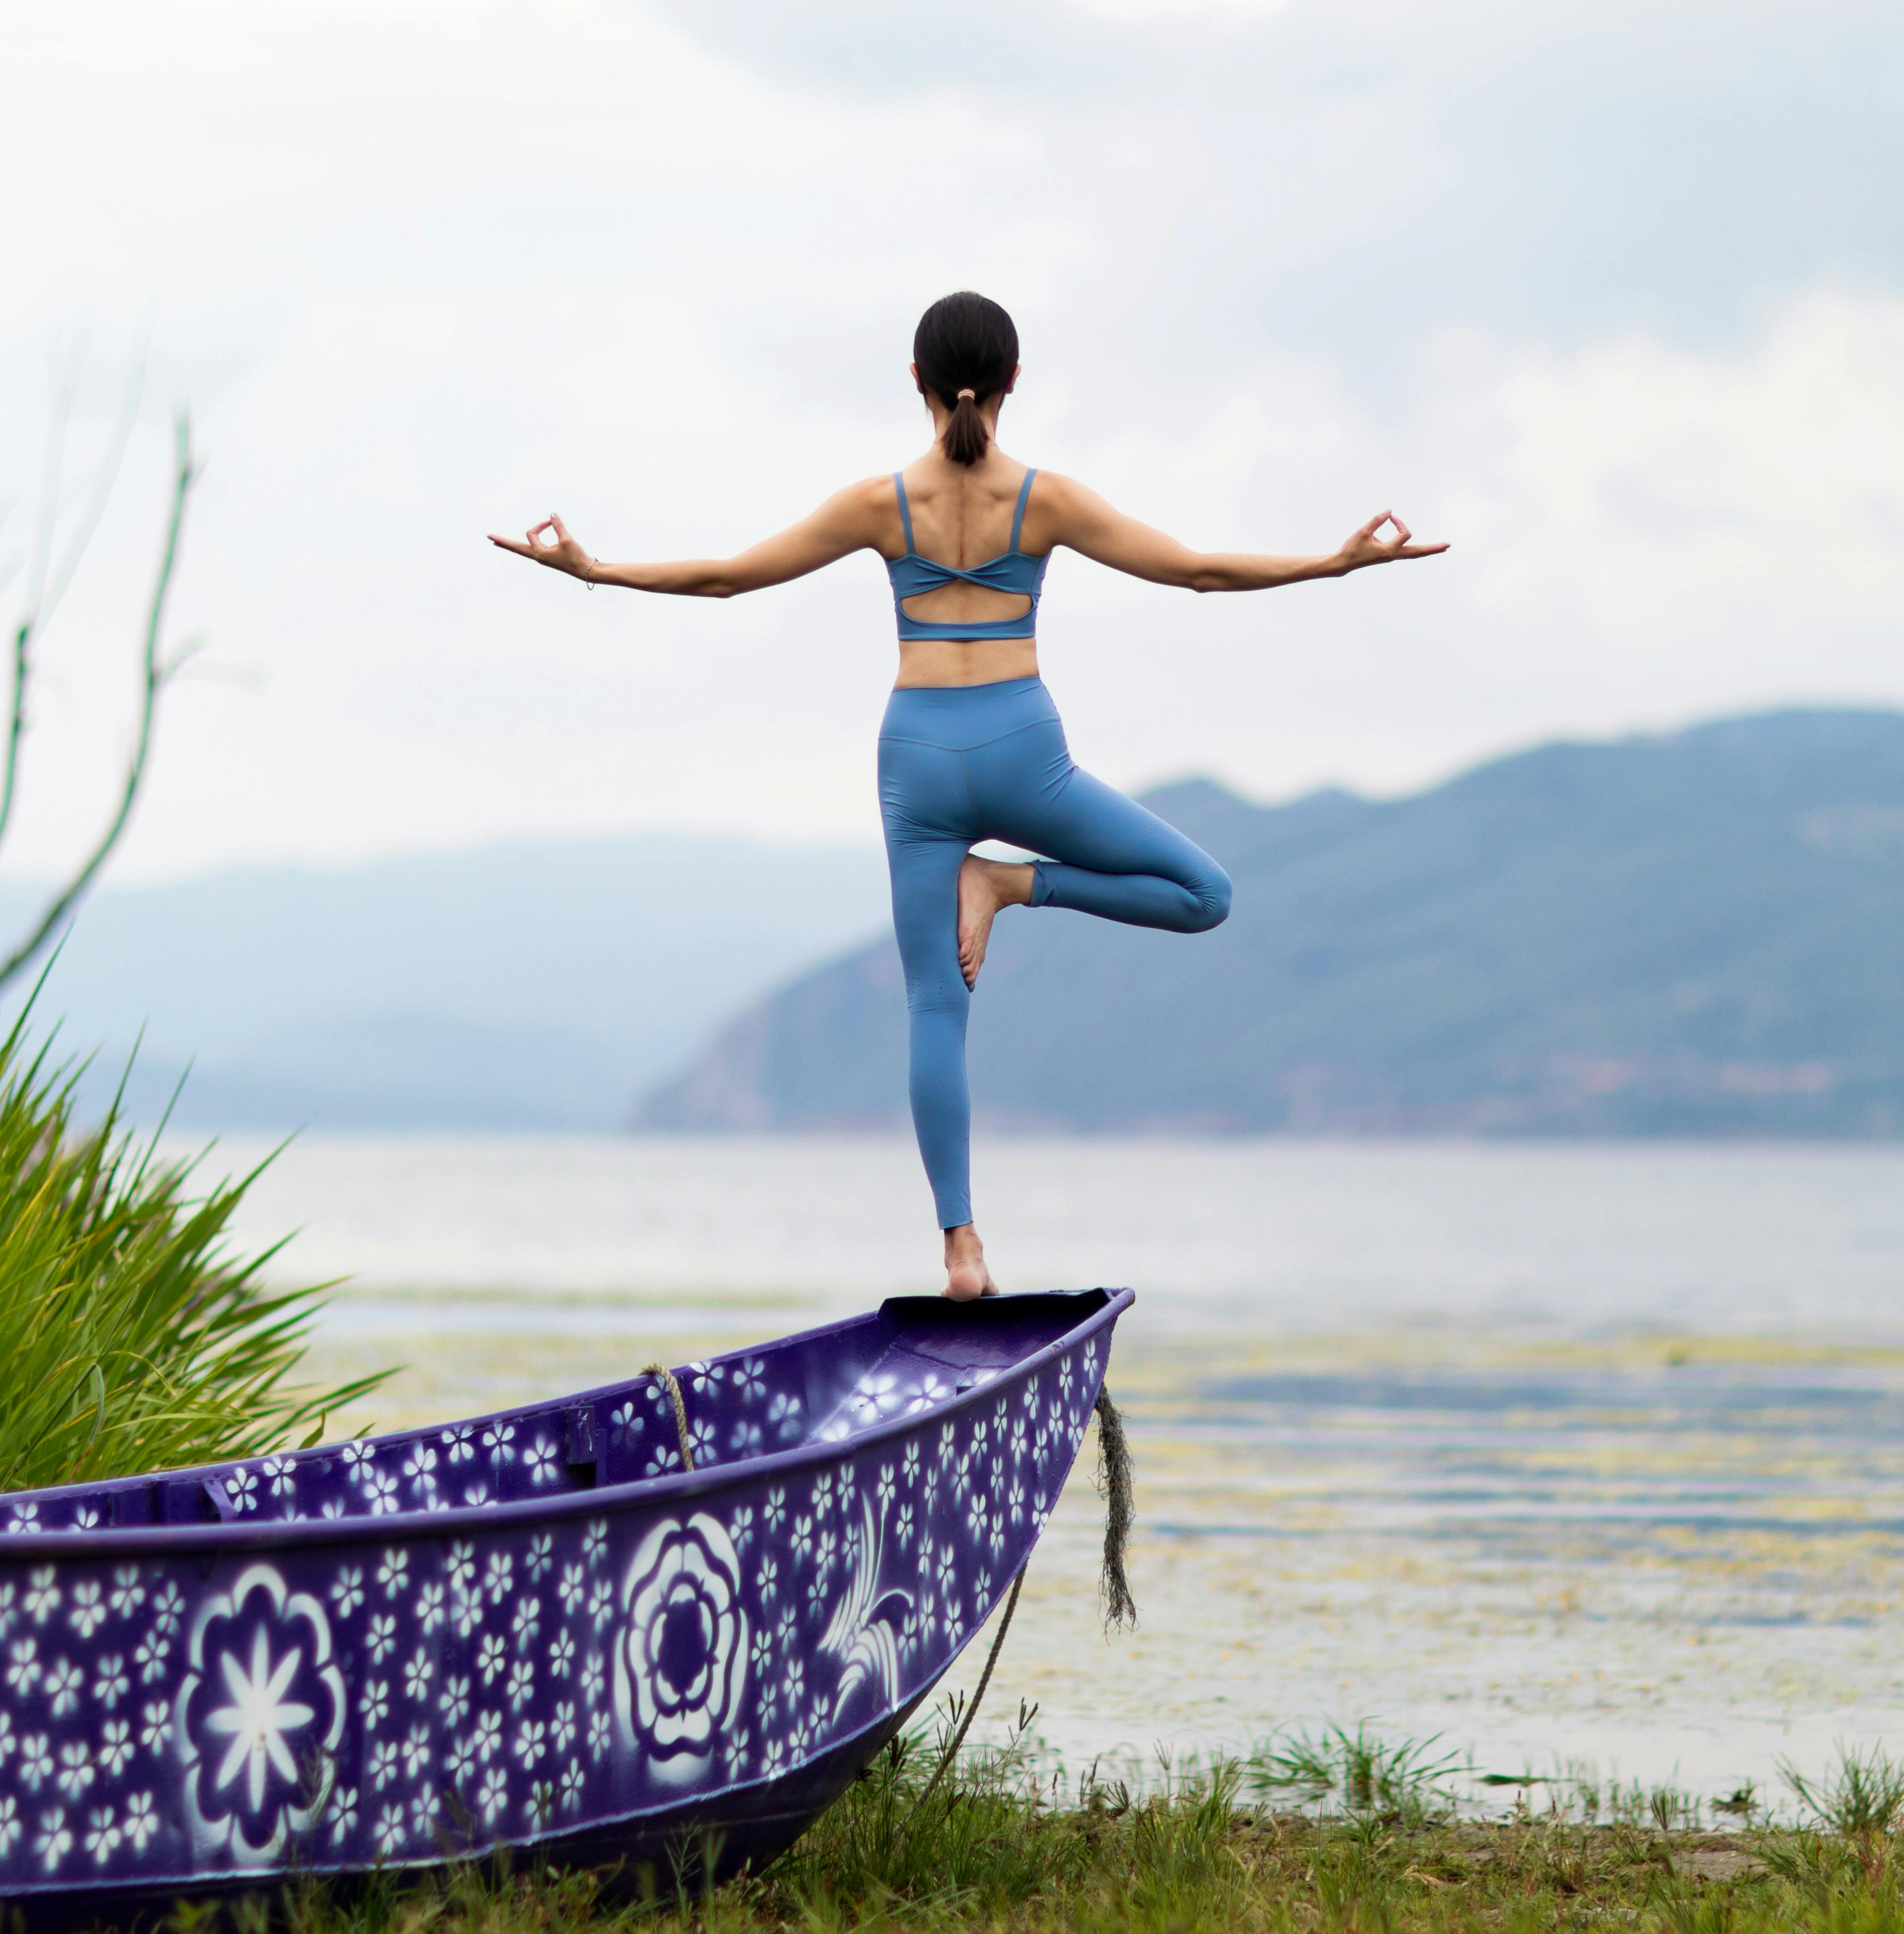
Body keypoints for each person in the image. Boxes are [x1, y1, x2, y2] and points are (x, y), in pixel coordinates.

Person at [491, 290, 1446, 1298]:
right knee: (1205, 894)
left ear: (915, 381)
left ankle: (962, 1249)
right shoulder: (1046, 499)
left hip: (915, 758)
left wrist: (592, 568)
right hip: (1024, 754)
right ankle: (1014, 885)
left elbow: (729, 577)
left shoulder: (876, 503)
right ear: (1014, 382)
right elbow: (1201, 571)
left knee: (932, 1010)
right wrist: (1335, 564)